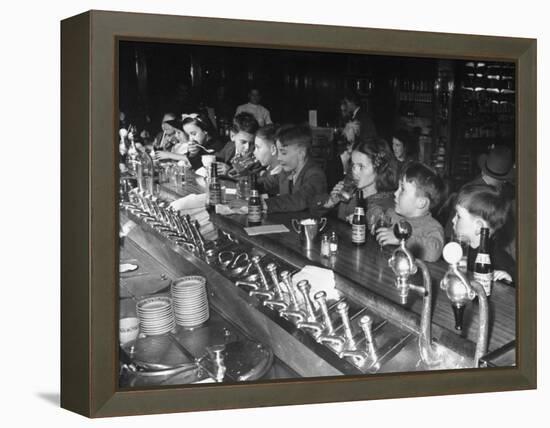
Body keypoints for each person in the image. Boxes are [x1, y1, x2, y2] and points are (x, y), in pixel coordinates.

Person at [314, 138, 397, 229]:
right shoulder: (350, 192)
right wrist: (330, 203)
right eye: (353, 165)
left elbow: (383, 235)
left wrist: (364, 222)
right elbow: (318, 219)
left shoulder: (388, 203)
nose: (355, 171)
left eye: (361, 166)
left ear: (379, 168)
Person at [376, 162, 445, 262]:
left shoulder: (433, 228)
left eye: (402, 189)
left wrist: (401, 240)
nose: (395, 193)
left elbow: (433, 252)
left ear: (421, 202)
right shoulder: (392, 215)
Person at [451, 184, 515, 282]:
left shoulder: (500, 261)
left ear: (478, 226)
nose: (453, 220)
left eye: (459, 216)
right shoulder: (460, 248)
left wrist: (509, 281)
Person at [263, 124, 327, 213]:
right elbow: (264, 184)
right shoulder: (286, 171)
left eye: (283, 153)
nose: (278, 158)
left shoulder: (315, 175)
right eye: (278, 152)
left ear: (301, 153)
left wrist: (263, 204)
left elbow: (300, 200)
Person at [155, 113, 223, 170]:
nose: (190, 139)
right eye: (188, 135)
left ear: (205, 131)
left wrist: (169, 155)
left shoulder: (216, 146)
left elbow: (204, 165)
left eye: (193, 134)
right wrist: (192, 154)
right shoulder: (198, 146)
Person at [253, 124, 282, 196]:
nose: (254, 152)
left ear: (273, 149)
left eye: (258, 147)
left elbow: (257, 186)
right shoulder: (269, 170)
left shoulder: (280, 177)